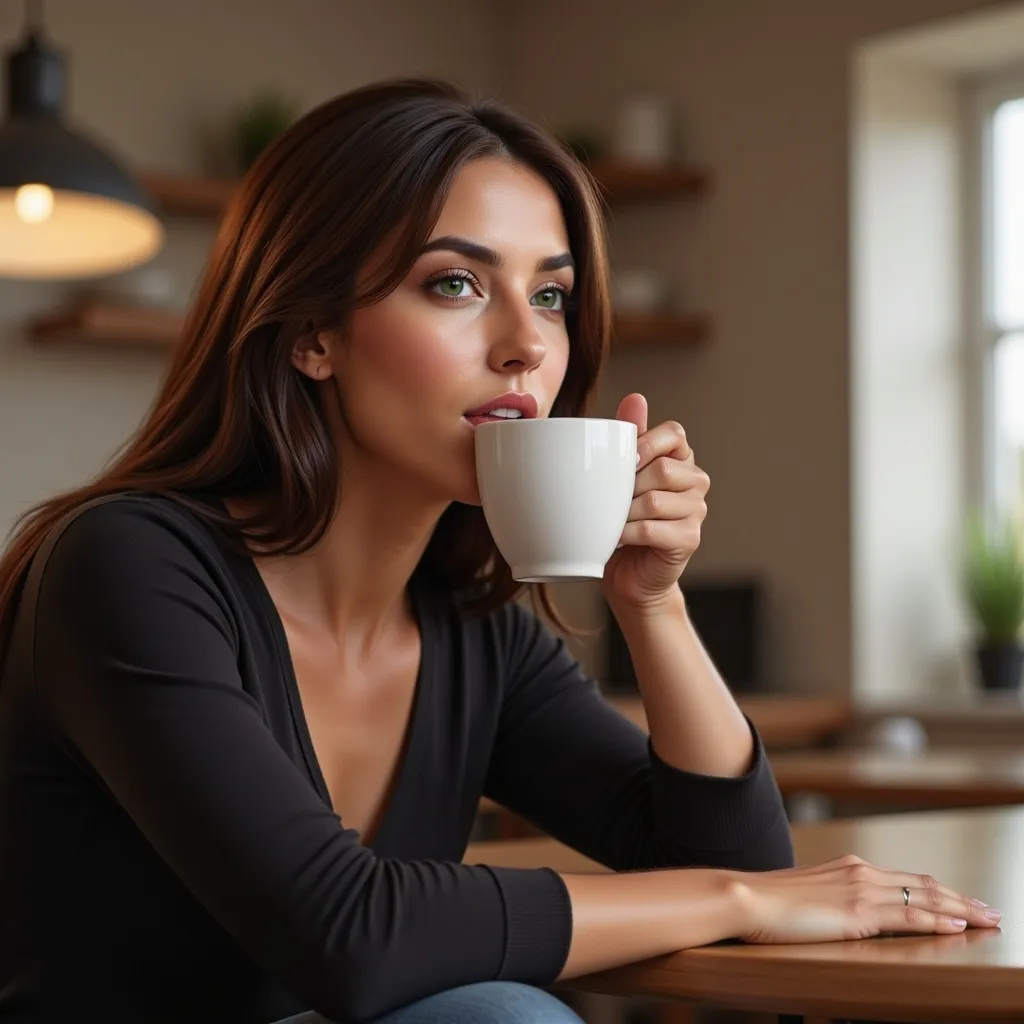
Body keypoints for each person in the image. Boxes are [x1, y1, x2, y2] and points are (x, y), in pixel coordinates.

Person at [0, 79, 999, 1024]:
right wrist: (736, 896)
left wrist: (652, 605)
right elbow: (350, 935)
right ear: (312, 334)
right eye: (456, 283)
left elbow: (735, 858)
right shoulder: (125, 566)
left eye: (552, 296)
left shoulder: (472, 631)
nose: (527, 343)